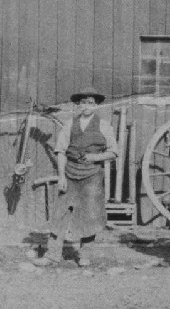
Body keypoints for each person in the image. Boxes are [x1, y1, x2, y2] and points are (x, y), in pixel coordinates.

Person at [31, 88, 118, 267]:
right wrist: (61, 176)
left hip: (92, 175)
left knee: (90, 215)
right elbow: (61, 152)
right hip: (70, 173)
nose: (87, 106)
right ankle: (53, 254)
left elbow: (114, 152)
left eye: (91, 103)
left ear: (96, 106)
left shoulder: (104, 126)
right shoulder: (70, 125)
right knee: (60, 214)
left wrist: (94, 157)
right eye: (84, 102)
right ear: (78, 105)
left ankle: (84, 254)